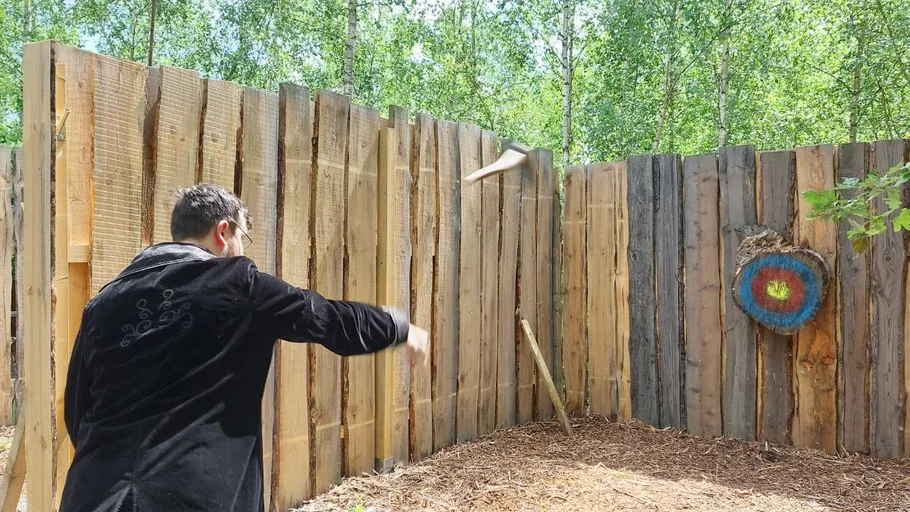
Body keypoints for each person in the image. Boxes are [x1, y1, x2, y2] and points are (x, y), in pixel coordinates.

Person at [60, 183, 429, 511]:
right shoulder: (237, 282)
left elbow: (77, 411)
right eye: (243, 236)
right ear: (223, 231)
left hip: (93, 493)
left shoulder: (104, 302)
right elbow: (326, 319)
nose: (240, 248)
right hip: (194, 493)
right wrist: (397, 326)